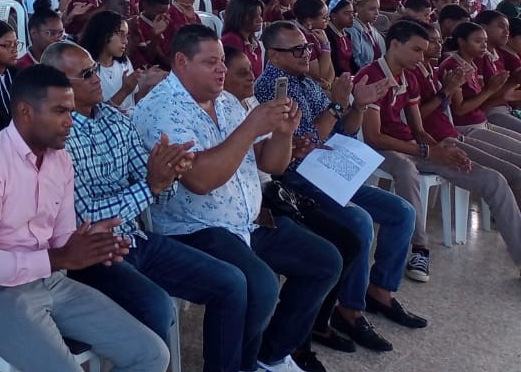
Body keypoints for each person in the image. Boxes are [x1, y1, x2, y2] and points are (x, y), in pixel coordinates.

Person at [39, 40, 265, 372]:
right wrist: (151, 185)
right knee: (155, 306)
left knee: (232, 283)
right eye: (86, 74)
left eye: (95, 69)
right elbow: (86, 219)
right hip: (91, 255)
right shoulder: (59, 136)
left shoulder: (114, 120)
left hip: (136, 239)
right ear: (58, 86)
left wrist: (169, 172)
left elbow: (155, 192)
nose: (97, 77)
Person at [132, 25, 343, 372]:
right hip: (196, 227)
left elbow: (270, 163)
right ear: (181, 62)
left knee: (325, 261)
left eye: (222, 63)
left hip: (247, 221)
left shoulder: (227, 102)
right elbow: (199, 181)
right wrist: (252, 126)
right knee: (259, 286)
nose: (221, 70)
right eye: (211, 62)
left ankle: (269, 355)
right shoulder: (162, 110)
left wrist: (283, 134)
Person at [0, 64, 170, 372]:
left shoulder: (59, 160)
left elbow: (62, 240)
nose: (69, 122)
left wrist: (93, 243)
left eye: (70, 110)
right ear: (26, 112)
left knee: (151, 353)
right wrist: (61, 257)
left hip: (47, 281)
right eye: (60, 112)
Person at [253, 20, 422, 353]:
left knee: (402, 211)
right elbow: (304, 142)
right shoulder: (273, 88)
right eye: (297, 49)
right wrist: (336, 106)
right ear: (272, 54)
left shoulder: (308, 82)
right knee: (358, 222)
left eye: (307, 47)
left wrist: (356, 106)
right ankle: (350, 309)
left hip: (329, 167)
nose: (307, 54)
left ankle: (381, 292)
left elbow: (343, 132)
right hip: (298, 176)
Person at [360, 19, 521, 282]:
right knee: (404, 168)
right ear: (395, 44)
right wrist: (425, 150)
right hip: (382, 149)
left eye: (424, 51)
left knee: (494, 179)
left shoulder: (409, 76)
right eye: (416, 50)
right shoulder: (373, 76)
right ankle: (420, 249)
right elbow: (374, 136)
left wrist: (439, 148)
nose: (422, 56)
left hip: (415, 146)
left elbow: (418, 127)